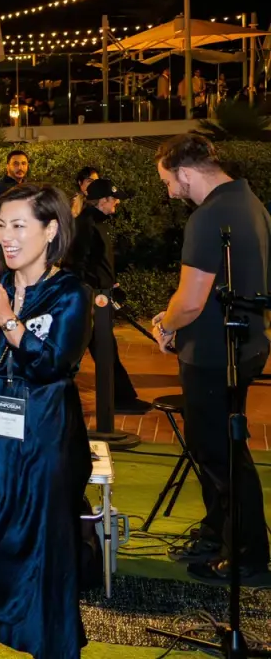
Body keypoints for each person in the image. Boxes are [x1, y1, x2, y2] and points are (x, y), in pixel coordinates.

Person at [0, 184, 92, 659]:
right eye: (1, 226)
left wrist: (9, 320)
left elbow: (51, 364)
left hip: (45, 436)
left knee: (40, 550)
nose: (6, 237)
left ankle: (47, 644)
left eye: (18, 226)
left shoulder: (70, 292)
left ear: (50, 230)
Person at [151, 134, 270, 585]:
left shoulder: (208, 216)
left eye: (167, 181)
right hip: (246, 345)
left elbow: (193, 299)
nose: (168, 191)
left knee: (220, 454)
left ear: (184, 172)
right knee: (222, 449)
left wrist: (167, 324)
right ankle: (218, 536)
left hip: (214, 355)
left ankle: (247, 555)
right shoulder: (249, 200)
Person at [68, 178, 151, 414]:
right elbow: (76, 264)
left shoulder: (97, 222)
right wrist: (90, 296)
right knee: (98, 351)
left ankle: (121, 398)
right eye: (113, 199)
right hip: (92, 302)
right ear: (102, 200)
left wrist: (110, 283)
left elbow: (97, 261)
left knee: (106, 351)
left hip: (100, 298)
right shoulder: (85, 224)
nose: (116, 203)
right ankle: (119, 399)